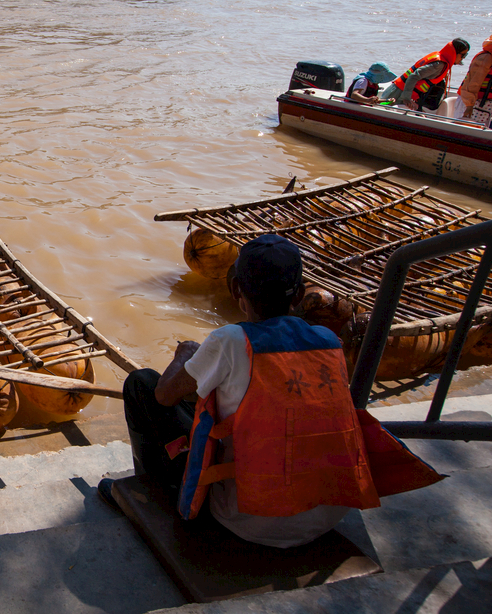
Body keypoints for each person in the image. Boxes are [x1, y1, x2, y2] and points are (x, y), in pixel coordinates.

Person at [98, 235, 441, 549]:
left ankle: (146, 494)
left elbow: (165, 395)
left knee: (141, 383)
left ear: (235, 290)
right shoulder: (329, 342)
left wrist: (185, 355)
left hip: (249, 521)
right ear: (299, 292)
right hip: (328, 514)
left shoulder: (230, 339)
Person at [380, 38, 470, 111]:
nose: (463, 59)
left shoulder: (441, 58)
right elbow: (413, 76)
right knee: (382, 107)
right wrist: (406, 98)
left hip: (400, 90)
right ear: (454, 53)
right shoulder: (439, 65)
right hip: (397, 93)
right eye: (463, 55)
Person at [458, 33, 492, 129]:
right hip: (471, 102)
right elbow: (473, 83)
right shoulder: (486, 58)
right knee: (463, 130)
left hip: (484, 105)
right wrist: (469, 105)